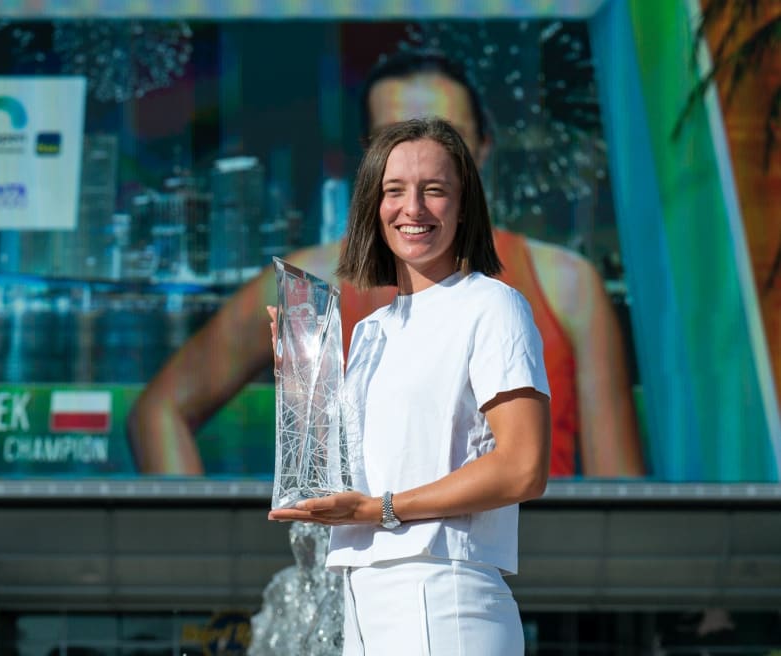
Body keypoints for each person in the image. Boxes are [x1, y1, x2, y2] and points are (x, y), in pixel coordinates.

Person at [127, 49, 644, 478]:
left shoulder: (566, 286)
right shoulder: (311, 286)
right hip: (365, 586)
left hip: (523, 588)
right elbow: (160, 412)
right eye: (395, 142)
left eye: (445, 140)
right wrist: (207, 577)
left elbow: (620, 496)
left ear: (482, 150)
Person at [268, 116, 550, 653]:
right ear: (374, 207)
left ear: (464, 207)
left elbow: (523, 467)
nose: (412, 209)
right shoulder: (374, 330)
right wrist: (301, 381)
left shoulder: (491, 306)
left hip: (443, 590)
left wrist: (380, 510)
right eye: (394, 191)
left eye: (434, 190)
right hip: (363, 591)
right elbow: (353, 469)